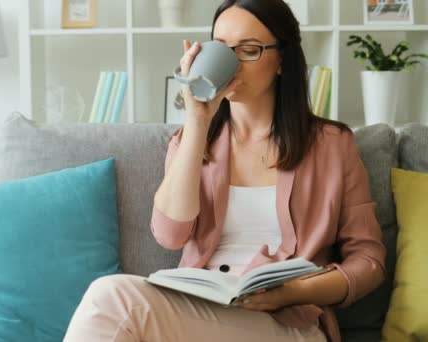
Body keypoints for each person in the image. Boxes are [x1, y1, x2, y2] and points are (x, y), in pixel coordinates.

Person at [63, 0, 386, 341]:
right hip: (198, 309)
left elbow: (368, 261)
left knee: (112, 297)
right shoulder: (191, 140)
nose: (232, 64)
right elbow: (170, 233)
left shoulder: (331, 145)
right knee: (112, 297)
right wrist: (197, 121)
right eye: (222, 49)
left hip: (287, 322)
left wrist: (292, 293)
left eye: (248, 50)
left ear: (281, 60)